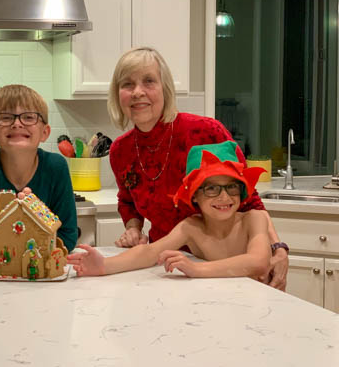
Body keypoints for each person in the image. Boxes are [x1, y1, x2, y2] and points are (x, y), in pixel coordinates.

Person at [106, 47, 289, 289]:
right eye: (128, 84)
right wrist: (133, 228)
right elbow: (127, 201)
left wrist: (277, 248)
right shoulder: (121, 150)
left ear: (165, 89)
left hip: (229, 264)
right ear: (117, 94)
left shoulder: (205, 132)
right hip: (167, 264)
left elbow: (250, 199)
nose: (138, 92)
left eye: (148, 81)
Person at [68, 141, 271, 279]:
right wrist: (104, 265)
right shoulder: (191, 227)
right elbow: (149, 252)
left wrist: (197, 269)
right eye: (211, 189)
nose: (224, 197)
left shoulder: (254, 219)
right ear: (194, 195)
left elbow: (258, 261)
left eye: (232, 187)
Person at [0, 84, 78, 257]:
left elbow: (68, 237)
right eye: (6, 118)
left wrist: (6, 239)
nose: (17, 124)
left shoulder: (56, 167)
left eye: (28, 117)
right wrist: (34, 241)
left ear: (45, 132)